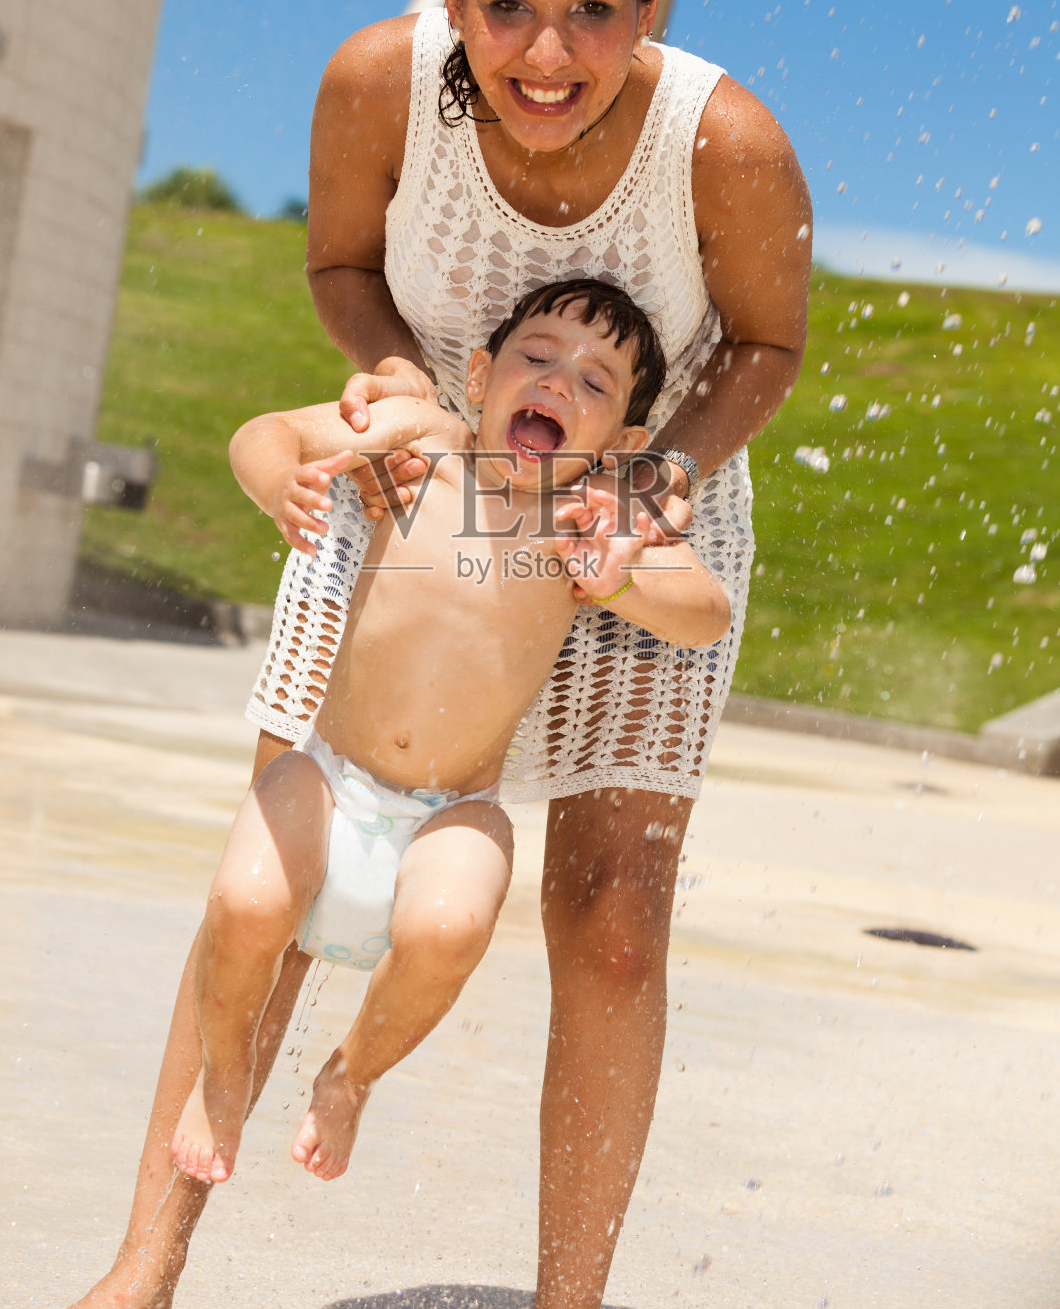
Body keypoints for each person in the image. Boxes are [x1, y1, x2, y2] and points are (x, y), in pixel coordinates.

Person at [53, 0, 811, 1309]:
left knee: (609, 918)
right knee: (271, 873)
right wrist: (401, 390)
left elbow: (769, 345)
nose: (549, 52)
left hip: (642, 505)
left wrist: (642, 490)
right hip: (417, 483)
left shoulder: (725, 141)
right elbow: (340, 267)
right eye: (510, 6)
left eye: (594, 8)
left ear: (645, 5)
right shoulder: (370, 79)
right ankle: (142, 1275)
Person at [170, 276, 730, 1189]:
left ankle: (351, 1075)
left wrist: (624, 579)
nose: (557, 384)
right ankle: (223, 1075)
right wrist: (283, 484)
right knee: (242, 908)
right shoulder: (422, 442)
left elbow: (706, 613)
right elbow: (263, 434)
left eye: (594, 384)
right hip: (326, 775)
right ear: (479, 374)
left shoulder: (597, 512)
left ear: (626, 443)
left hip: (449, 812)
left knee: (450, 925)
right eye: (537, 358)